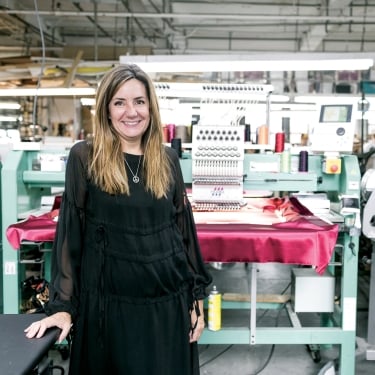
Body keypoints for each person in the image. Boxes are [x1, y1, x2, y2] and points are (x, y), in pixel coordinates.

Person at [25, 64, 212, 374]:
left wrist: (196, 300)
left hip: (167, 306)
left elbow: (182, 232)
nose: (131, 112)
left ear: (150, 106)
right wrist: (63, 307)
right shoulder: (85, 157)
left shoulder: (167, 159)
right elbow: (71, 237)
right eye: (119, 102)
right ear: (106, 110)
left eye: (139, 101)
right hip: (107, 311)